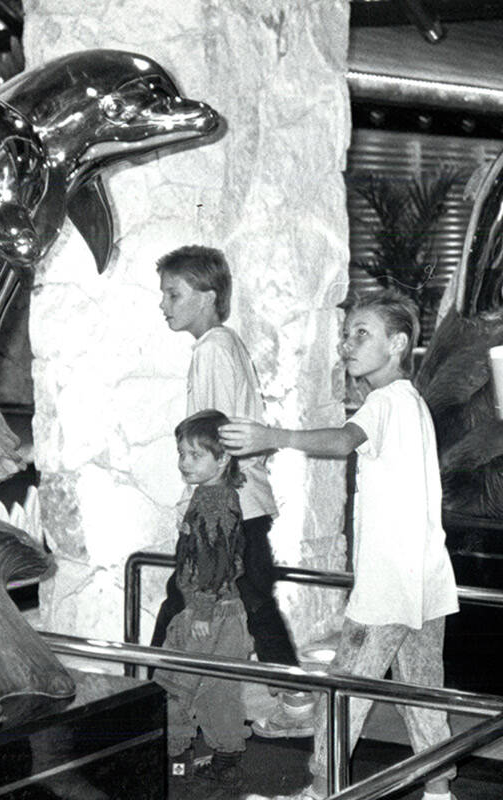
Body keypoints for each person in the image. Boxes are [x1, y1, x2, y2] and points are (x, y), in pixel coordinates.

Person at [220, 290, 460, 800]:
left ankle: (320, 789)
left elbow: (342, 441)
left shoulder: (385, 401)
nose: (347, 345)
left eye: (362, 334)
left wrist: (273, 435)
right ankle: (439, 788)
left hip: (389, 586)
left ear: (397, 343)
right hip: (423, 579)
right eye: (346, 334)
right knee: (420, 691)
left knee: (343, 690)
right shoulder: (410, 403)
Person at [152, 245, 314, 735]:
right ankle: (297, 698)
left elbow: (214, 437)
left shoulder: (213, 350)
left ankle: (142, 702)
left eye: (173, 294)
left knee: (190, 598)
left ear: (208, 295)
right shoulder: (224, 346)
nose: (164, 305)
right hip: (240, 503)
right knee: (246, 598)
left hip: (226, 507)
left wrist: (201, 508)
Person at [155, 410, 252, 786]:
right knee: (218, 690)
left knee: (175, 683)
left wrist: (201, 610)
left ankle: (175, 761)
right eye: (181, 454)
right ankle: (226, 759)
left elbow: (216, 560)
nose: (184, 463)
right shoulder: (217, 495)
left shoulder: (212, 500)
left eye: (195, 455)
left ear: (223, 458)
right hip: (225, 611)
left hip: (207, 612)